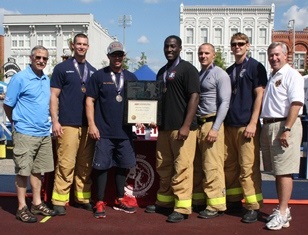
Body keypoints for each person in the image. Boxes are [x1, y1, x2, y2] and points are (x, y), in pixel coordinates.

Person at [145, 35, 200, 223]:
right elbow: (158, 100)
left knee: (182, 167)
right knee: (164, 166)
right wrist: (153, 119)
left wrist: (186, 125)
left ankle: (182, 207)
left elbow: (194, 97)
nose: (169, 49)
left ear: (180, 48)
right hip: (164, 129)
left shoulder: (188, 69)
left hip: (182, 129)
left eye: (173, 46)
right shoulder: (161, 71)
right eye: (166, 46)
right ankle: (165, 202)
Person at [85, 41, 139, 219]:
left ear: (124, 56)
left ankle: (120, 198)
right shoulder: (98, 76)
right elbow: (89, 101)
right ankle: (99, 201)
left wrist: (141, 119)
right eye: (114, 55)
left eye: (120, 55)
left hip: (125, 132)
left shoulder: (131, 77)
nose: (117, 58)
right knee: (101, 167)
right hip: (104, 132)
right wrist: (92, 124)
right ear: (108, 56)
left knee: (123, 166)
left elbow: (138, 104)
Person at [3, 45, 56, 223]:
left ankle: (36, 203)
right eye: (38, 57)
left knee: (37, 171)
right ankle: (21, 207)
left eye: (44, 59)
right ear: (31, 58)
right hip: (24, 132)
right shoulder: (20, 78)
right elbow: (8, 105)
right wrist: (16, 123)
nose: (41, 61)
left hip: (43, 132)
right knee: (22, 171)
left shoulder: (46, 79)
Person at [50, 33, 97, 215]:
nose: (81, 47)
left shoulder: (93, 71)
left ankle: (82, 198)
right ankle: (59, 200)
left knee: (85, 165)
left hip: (86, 126)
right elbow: (54, 95)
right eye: (78, 44)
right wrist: (55, 121)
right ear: (73, 45)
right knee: (66, 163)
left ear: (88, 46)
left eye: (84, 44)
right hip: (67, 124)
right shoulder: (62, 68)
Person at [224, 32, 267, 223]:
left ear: (248, 45)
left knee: (248, 168)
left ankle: (253, 206)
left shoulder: (255, 67)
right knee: (231, 167)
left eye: (241, 43)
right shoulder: (229, 70)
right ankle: (234, 200)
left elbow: (260, 95)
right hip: (229, 126)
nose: (237, 47)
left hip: (246, 126)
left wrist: (253, 122)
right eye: (234, 44)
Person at [260, 42, 304, 230]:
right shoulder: (272, 76)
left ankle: (284, 211)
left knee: (284, 171)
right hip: (270, 125)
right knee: (277, 171)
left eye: (277, 54)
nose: (274, 58)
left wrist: (286, 129)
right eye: (271, 55)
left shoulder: (292, 75)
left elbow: (296, 103)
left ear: (286, 56)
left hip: (284, 125)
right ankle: (282, 210)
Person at [192, 43, 231, 219]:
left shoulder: (220, 74)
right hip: (199, 124)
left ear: (214, 55)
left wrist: (215, 127)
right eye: (200, 53)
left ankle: (216, 204)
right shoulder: (199, 75)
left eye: (207, 53)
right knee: (199, 166)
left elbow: (225, 102)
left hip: (211, 122)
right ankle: (201, 200)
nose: (203, 56)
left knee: (212, 166)